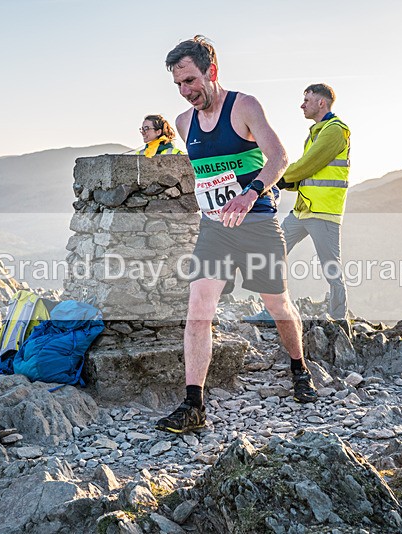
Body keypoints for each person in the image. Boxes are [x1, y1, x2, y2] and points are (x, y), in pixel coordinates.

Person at [155, 35, 317, 435]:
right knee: (199, 310)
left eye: (191, 81)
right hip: (215, 229)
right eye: (179, 85)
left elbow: (278, 157)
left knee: (278, 306)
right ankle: (194, 404)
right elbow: (205, 174)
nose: (186, 91)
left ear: (211, 72)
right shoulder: (183, 123)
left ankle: (298, 367)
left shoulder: (243, 106)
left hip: (258, 222)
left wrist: (249, 193)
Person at [247, 83, 351, 323]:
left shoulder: (336, 131)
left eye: (307, 100)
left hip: (324, 212)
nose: (302, 105)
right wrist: (285, 183)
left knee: (331, 269)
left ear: (321, 102)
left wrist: (276, 177)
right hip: (303, 210)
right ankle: (273, 311)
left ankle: (339, 320)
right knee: (274, 253)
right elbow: (307, 175)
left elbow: (309, 165)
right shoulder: (315, 132)